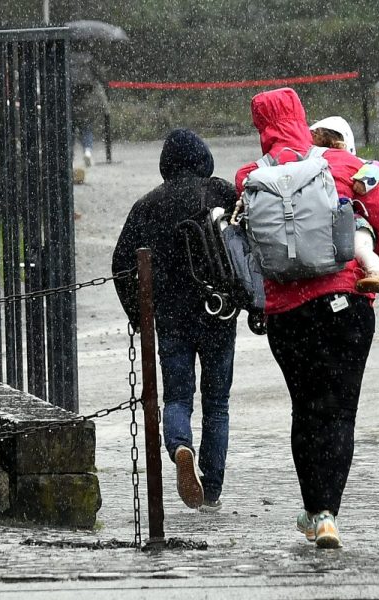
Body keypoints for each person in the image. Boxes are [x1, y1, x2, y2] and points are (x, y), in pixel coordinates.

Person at [236, 88, 379, 548]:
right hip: (346, 308)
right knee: (340, 412)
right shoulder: (342, 165)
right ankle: (330, 515)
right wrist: (352, 259)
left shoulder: (248, 176)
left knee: (305, 410)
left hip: (287, 316)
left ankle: (314, 510)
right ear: (301, 117)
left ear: (261, 127)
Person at [112, 128, 238, 513]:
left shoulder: (146, 205)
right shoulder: (220, 193)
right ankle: (212, 489)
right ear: (204, 158)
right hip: (219, 310)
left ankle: (180, 445)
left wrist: (140, 313)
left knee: (178, 396)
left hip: (170, 317)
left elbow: (120, 265)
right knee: (217, 403)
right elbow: (246, 247)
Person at [309, 116, 379, 293]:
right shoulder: (351, 162)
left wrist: (364, 180)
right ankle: (374, 271)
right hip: (346, 220)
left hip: (348, 222)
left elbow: (377, 167)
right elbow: (378, 166)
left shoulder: (306, 164)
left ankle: (376, 273)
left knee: (360, 247)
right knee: (361, 248)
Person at [70, 50, 108, 167]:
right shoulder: (89, 59)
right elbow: (101, 77)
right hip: (86, 99)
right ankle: (87, 151)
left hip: (70, 100)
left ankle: (69, 157)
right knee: (86, 128)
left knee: (70, 131)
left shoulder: (67, 58)